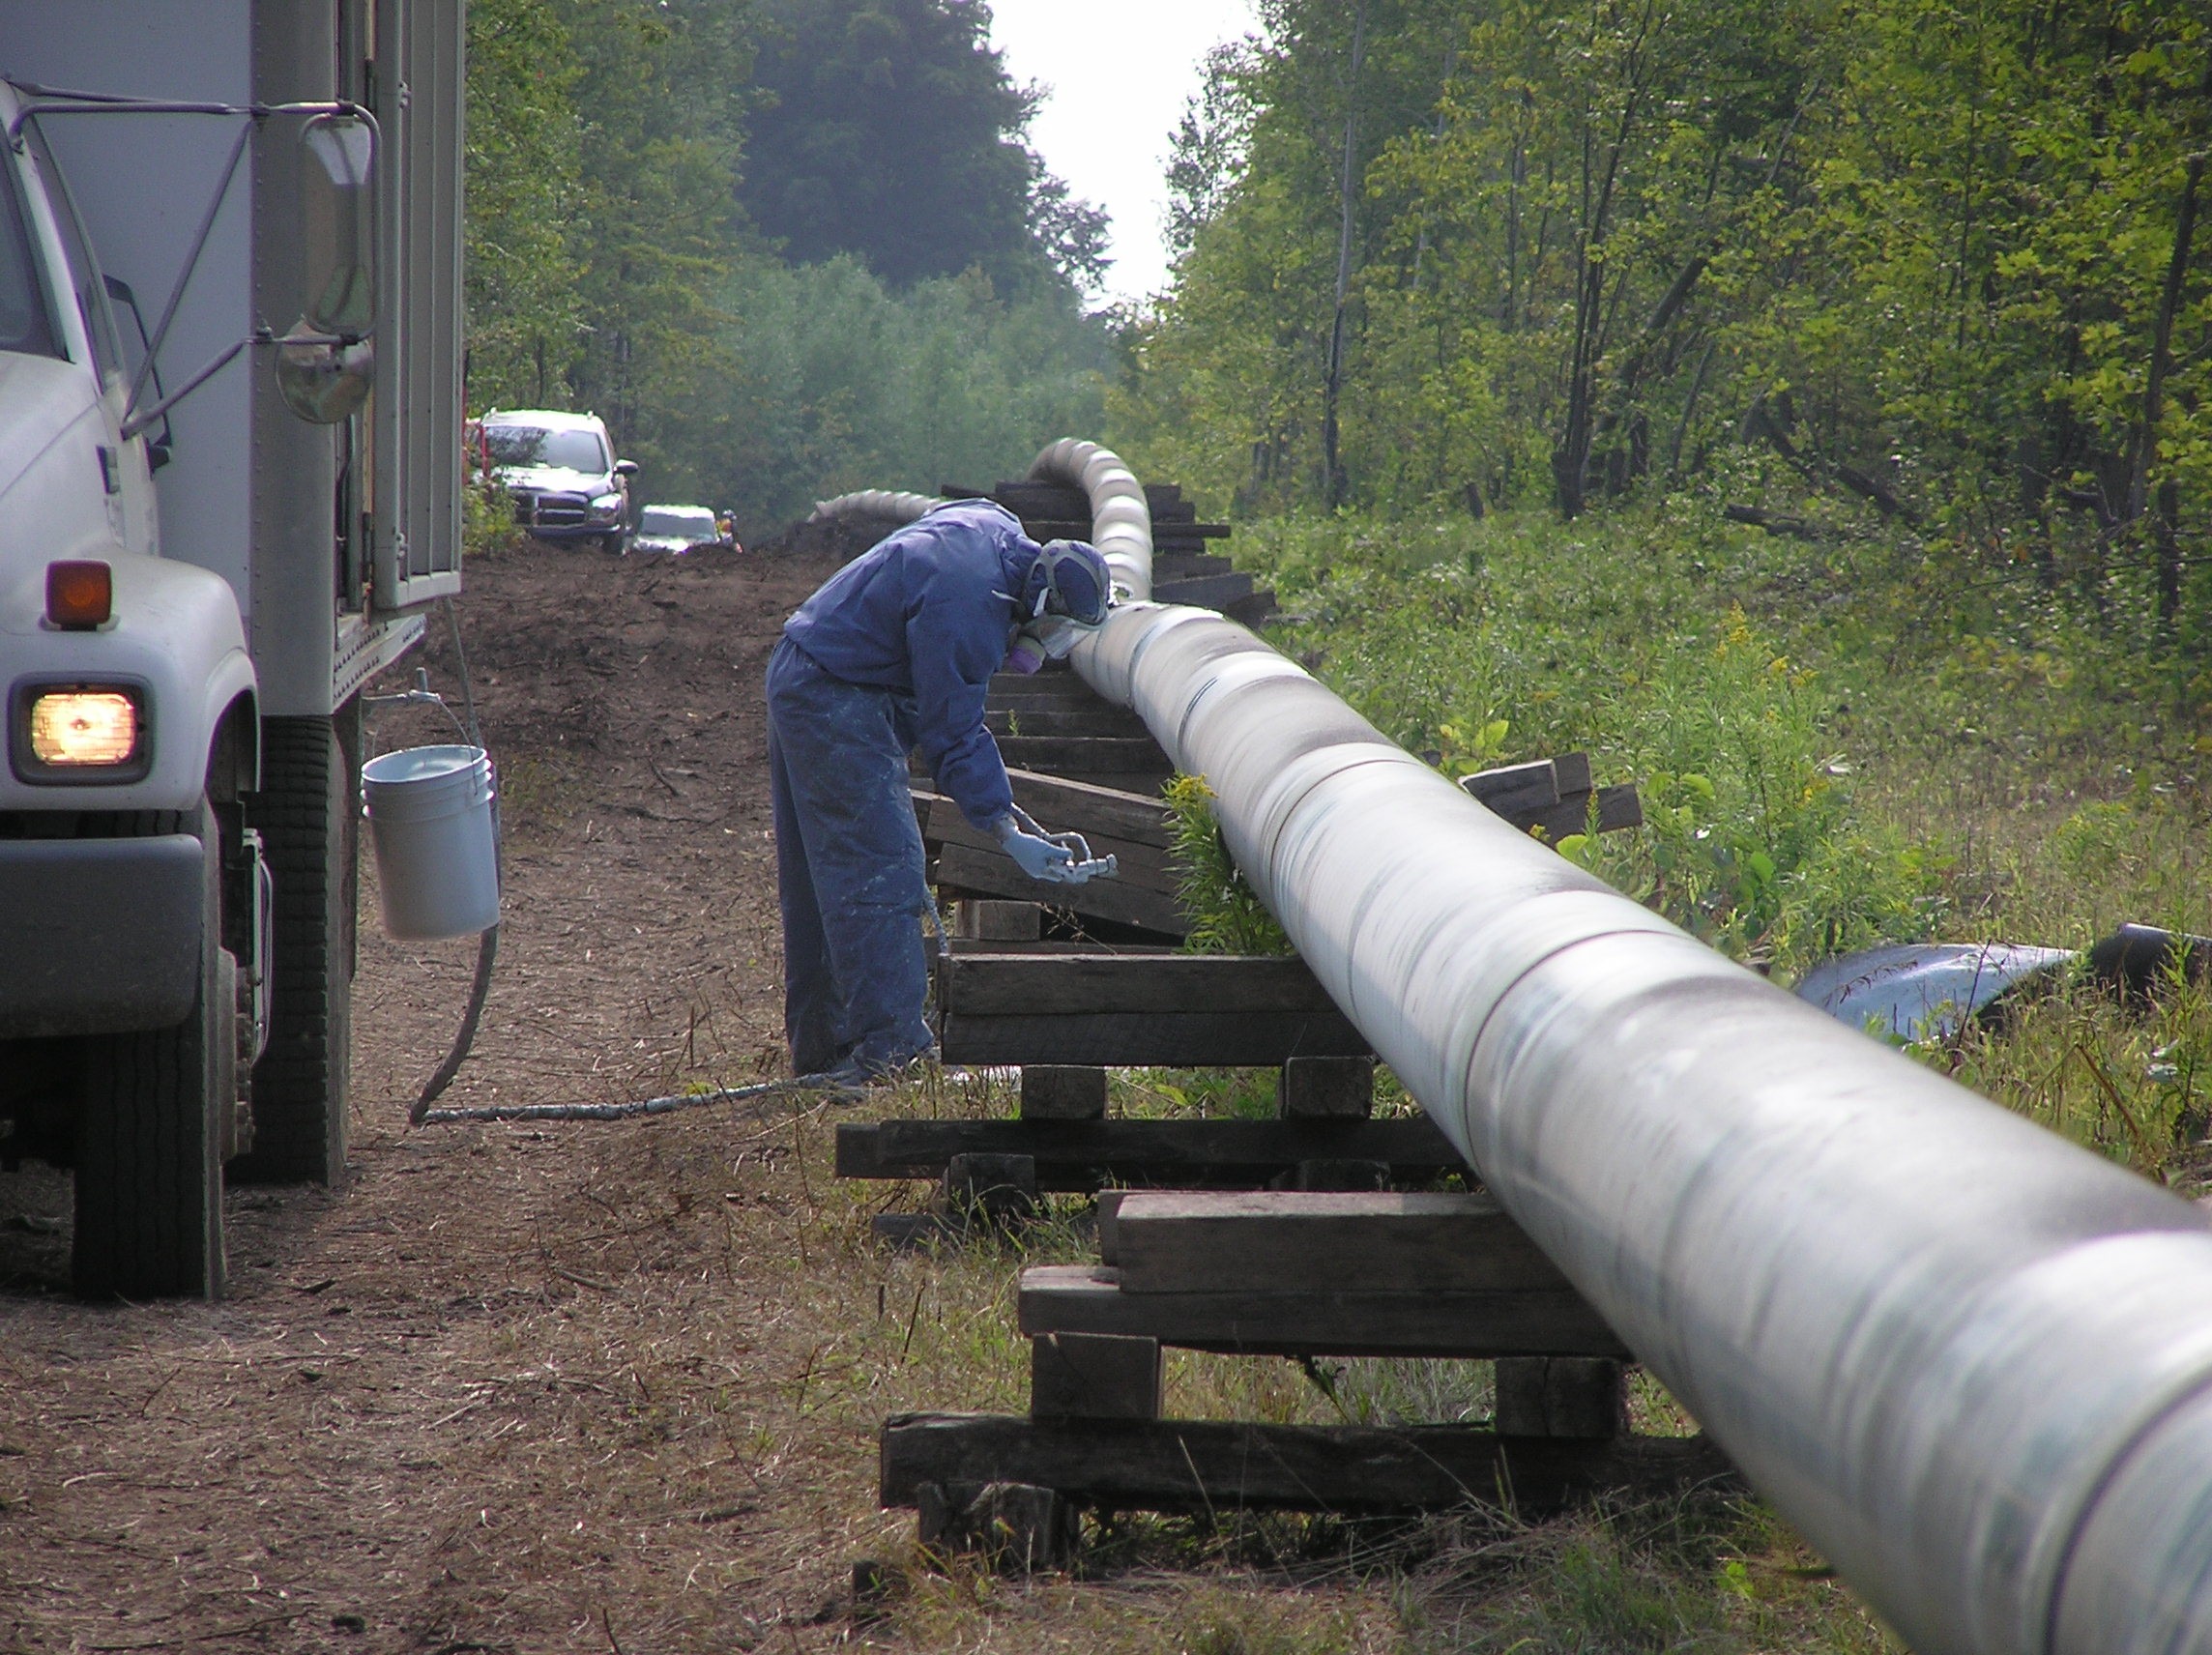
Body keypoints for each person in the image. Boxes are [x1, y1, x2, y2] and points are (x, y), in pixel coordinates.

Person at [767, 498, 1115, 1083]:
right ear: (1038, 603)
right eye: (1055, 633)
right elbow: (952, 733)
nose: (1048, 648)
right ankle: (892, 1054)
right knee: (880, 870)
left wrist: (1008, 813)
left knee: (820, 880)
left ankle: (824, 1055)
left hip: (807, 667)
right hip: (836, 695)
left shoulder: (999, 526)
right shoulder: (970, 610)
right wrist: (1005, 831)